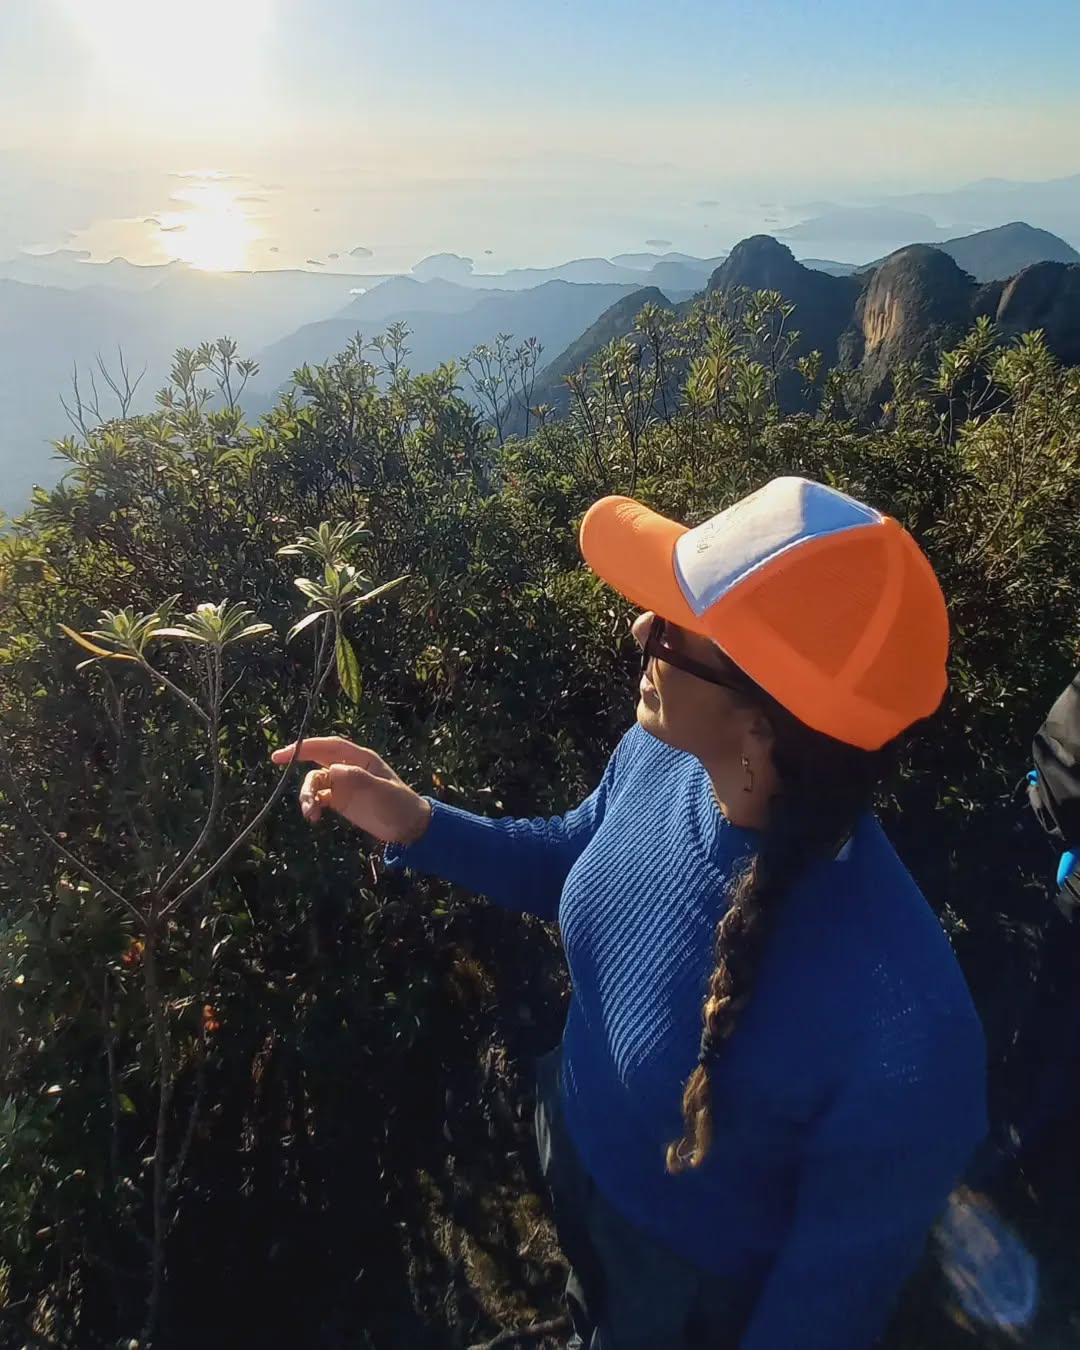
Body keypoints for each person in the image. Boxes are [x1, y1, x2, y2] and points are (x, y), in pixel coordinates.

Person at [272, 477, 988, 1350]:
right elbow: (579, 855)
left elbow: (822, 1314)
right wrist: (417, 822)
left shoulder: (912, 1036)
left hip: (679, 1289)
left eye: (674, 627)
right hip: (575, 1156)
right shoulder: (666, 761)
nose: (639, 629)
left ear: (757, 729)